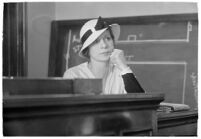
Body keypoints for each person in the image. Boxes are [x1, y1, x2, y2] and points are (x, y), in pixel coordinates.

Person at [63, 16, 145, 94]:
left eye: (108, 38)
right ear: (87, 49)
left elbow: (142, 104)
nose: (104, 45)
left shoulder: (122, 74)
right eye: (96, 41)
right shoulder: (73, 75)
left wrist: (124, 67)